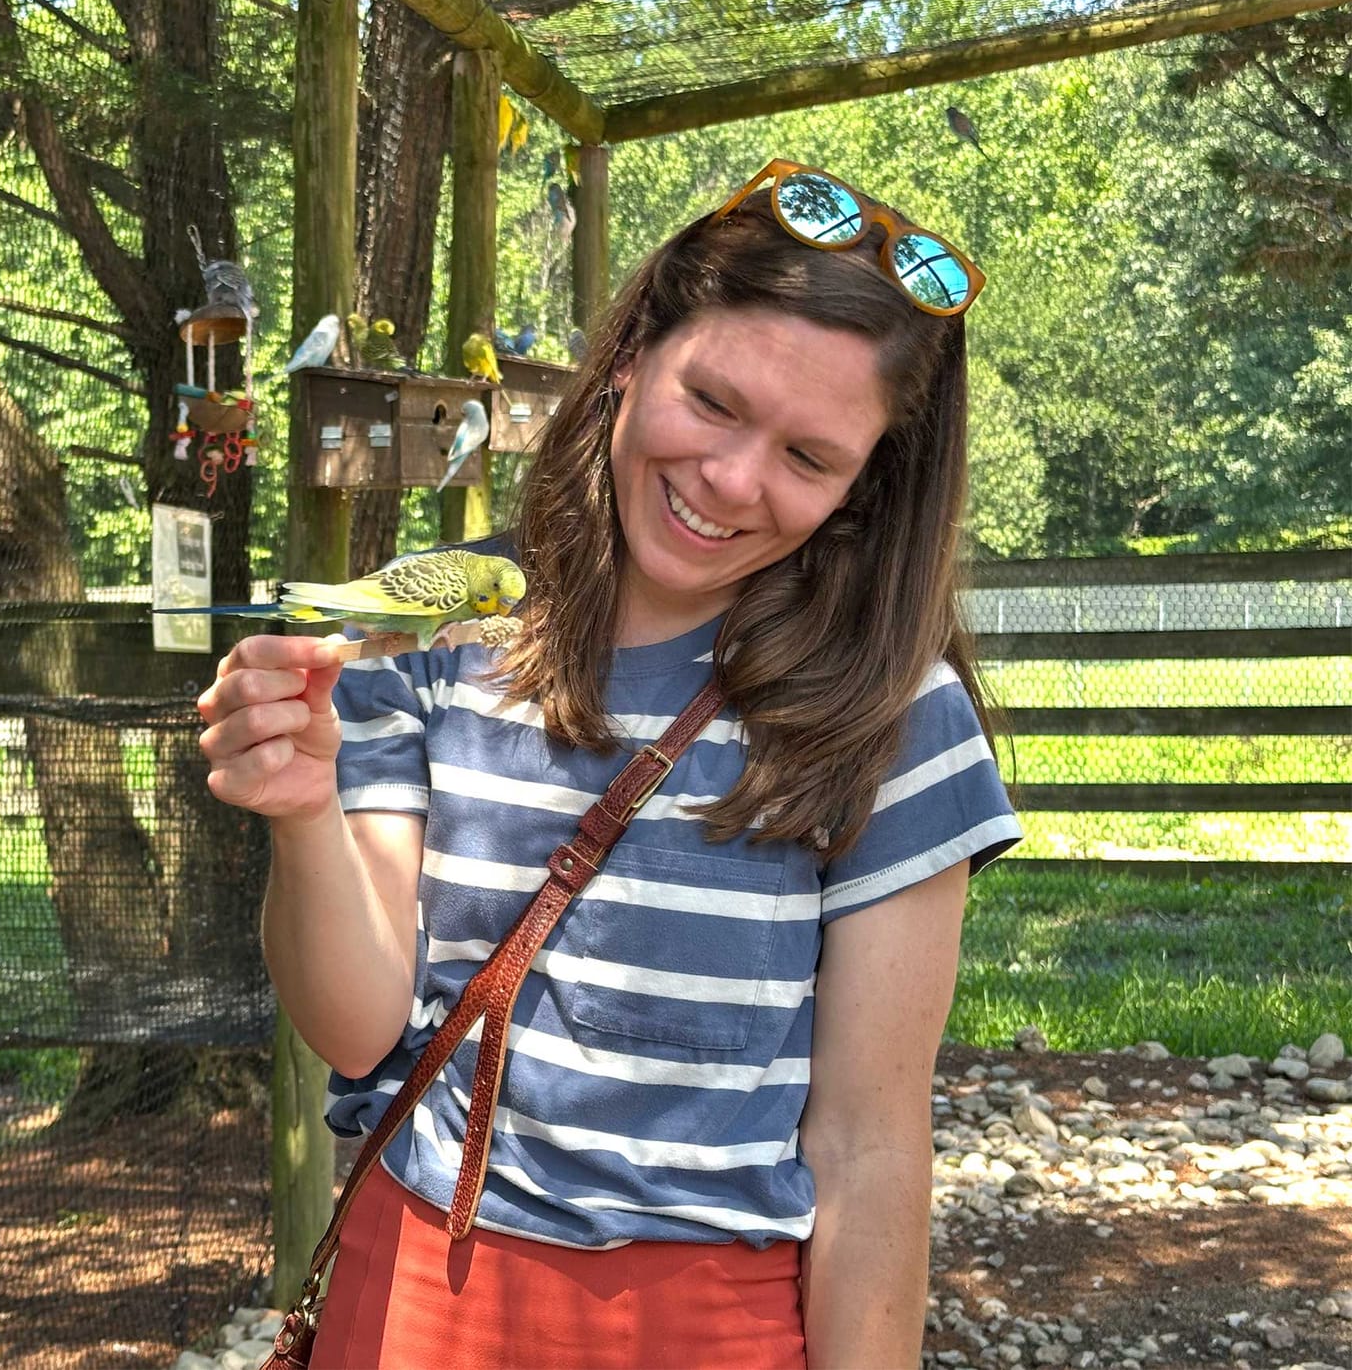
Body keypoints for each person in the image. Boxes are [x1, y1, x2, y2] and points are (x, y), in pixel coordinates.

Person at [196, 160, 1022, 1369]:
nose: (731, 481)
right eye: (713, 402)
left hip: (709, 1331)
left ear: (864, 485)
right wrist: (303, 812)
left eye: (807, 458)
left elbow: (870, 1148)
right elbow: (358, 1032)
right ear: (630, 354)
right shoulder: (430, 633)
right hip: (412, 1295)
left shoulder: (894, 715)